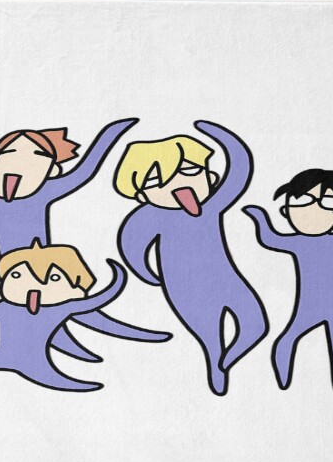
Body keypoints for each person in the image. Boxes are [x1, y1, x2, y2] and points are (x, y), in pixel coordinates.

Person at [0, 117, 169, 359]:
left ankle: (66, 339)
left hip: (45, 267)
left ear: (51, 171)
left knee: (70, 304)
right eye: (10, 152)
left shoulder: (42, 191)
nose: (19, 162)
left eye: (37, 156)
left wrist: (110, 135)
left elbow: (83, 172)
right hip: (16, 274)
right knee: (48, 305)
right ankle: (56, 341)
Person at [114, 121, 268, 396]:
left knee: (255, 325)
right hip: (184, 287)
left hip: (226, 278)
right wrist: (148, 275)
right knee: (210, 336)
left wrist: (220, 135)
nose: (178, 183)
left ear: (211, 178)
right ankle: (217, 366)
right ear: (141, 194)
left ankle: (225, 362)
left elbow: (239, 171)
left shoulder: (211, 205)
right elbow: (132, 247)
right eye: (156, 181)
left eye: (189, 171)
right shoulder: (149, 215)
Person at [244, 169, 333, 396]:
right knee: (288, 340)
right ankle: (283, 381)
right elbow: (269, 238)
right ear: (286, 211)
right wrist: (258, 216)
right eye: (303, 201)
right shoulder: (296, 242)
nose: (315, 209)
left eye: (328, 202)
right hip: (307, 308)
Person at [0, 240, 127, 392]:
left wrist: (118, 278)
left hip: (35, 362)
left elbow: (97, 300)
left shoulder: (60, 308)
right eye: (16, 275)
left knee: (47, 376)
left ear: (76, 288)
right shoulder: (6, 307)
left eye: (54, 278)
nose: (33, 286)